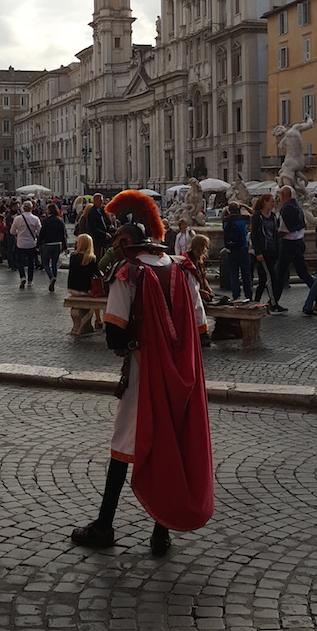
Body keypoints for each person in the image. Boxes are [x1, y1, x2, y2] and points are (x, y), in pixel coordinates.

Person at [71, 192, 212, 556]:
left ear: (127, 241)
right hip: (183, 374)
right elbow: (201, 330)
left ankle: (104, 525)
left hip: (143, 373)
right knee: (172, 443)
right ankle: (160, 531)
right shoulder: (182, 268)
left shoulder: (128, 273)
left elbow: (115, 334)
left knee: (123, 447)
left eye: (118, 241)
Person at [274, 186, 314, 302]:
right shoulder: (298, 207)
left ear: (283, 195)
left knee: (279, 274)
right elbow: (304, 225)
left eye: (280, 195)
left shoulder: (285, 209)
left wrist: (275, 236)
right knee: (303, 273)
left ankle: (274, 302)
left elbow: (284, 230)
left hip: (288, 244)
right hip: (299, 243)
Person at [250, 193, 284, 311]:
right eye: (271, 201)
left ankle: (255, 301)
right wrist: (258, 252)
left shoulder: (274, 216)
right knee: (270, 276)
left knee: (263, 278)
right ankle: (273, 304)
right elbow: (254, 234)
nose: (273, 204)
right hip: (263, 251)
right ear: (264, 202)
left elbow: (276, 233)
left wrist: (277, 248)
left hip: (272, 250)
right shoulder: (257, 216)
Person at [222, 203, 252, 300]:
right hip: (242, 248)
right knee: (245, 273)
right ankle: (248, 295)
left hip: (230, 250)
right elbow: (255, 215)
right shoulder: (243, 218)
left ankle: (236, 295)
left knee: (233, 274)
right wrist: (245, 206)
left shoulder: (225, 220)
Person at [10, 199, 42, 288]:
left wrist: (18, 232)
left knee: (20, 261)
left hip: (20, 243)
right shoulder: (35, 219)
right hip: (31, 243)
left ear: (23, 208)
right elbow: (40, 232)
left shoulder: (17, 219)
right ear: (32, 208)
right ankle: (30, 280)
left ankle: (22, 276)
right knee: (31, 262)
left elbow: (12, 232)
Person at [40, 202, 68, 291]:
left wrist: (38, 244)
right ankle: (54, 281)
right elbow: (63, 234)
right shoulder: (60, 220)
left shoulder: (46, 221)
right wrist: (65, 246)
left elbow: (42, 234)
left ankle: (51, 277)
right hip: (57, 244)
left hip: (48, 244)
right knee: (54, 264)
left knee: (45, 263)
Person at [185, 233, 214, 304]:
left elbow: (203, 277)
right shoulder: (187, 261)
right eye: (204, 246)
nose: (206, 249)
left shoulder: (199, 259)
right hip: (192, 294)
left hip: (200, 291)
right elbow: (188, 284)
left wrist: (208, 288)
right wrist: (201, 292)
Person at [85, 193, 114, 260]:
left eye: (102, 200)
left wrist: (109, 227)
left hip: (104, 240)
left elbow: (104, 222)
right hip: (97, 240)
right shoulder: (92, 212)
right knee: (98, 257)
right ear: (95, 201)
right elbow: (93, 228)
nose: (102, 202)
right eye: (100, 200)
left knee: (103, 256)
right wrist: (104, 234)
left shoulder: (101, 210)